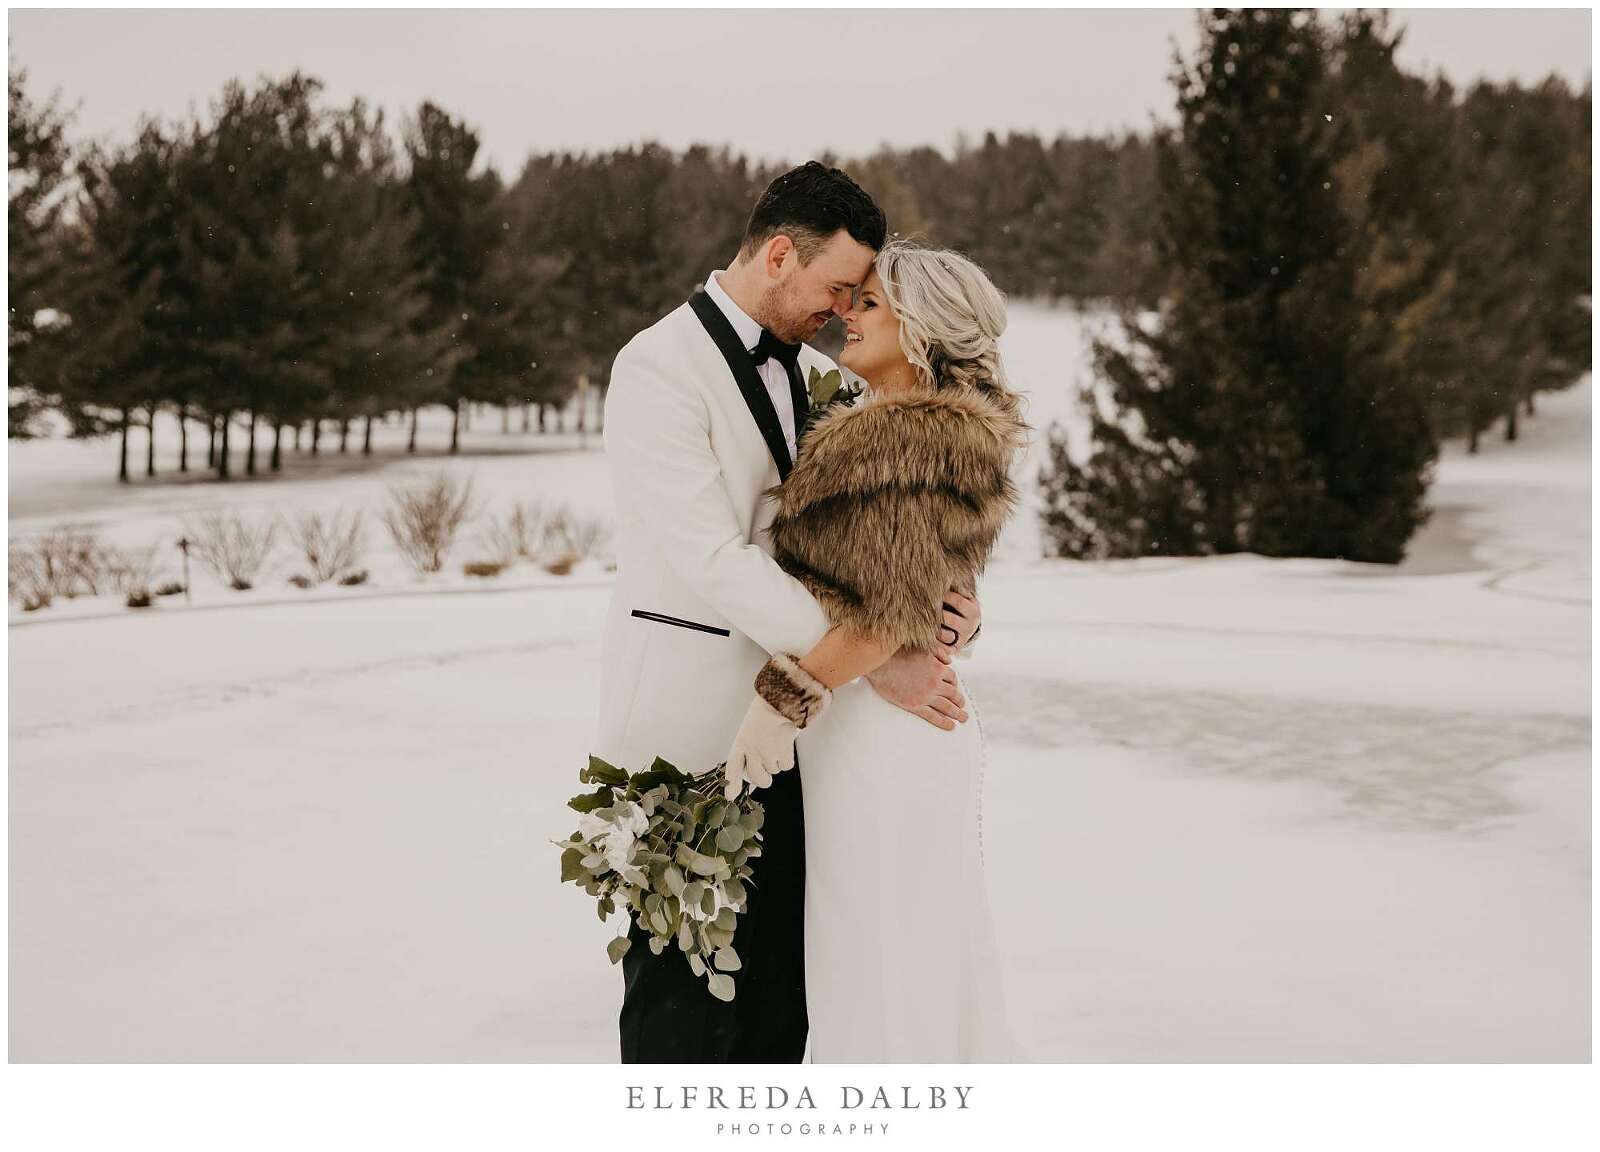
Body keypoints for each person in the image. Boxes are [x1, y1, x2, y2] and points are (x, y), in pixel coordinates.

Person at [596, 163, 983, 1063]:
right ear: (779, 255)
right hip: (685, 740)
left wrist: (945, 609)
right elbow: (713, 560)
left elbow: (882, 537)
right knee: (680, 1014)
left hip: (812, 748)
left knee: (780, 1014)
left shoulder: (831, 381)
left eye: (860, 295)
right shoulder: (656, 368)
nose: (847, 310)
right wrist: (875, 657)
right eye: (837, 287)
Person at [724, 240, 1029, 1062]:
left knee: (882, 972)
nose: (846, 315)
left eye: (869, 304)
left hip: (884, 740)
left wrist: (778, 704)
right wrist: (957, 617)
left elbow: (881, 616)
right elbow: (915, 591)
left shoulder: (905, 438)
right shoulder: (920, 431)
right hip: (888, 729)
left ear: (921, 325)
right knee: (912, 964)